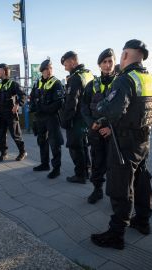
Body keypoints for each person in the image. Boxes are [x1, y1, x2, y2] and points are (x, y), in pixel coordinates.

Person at [90, 39, 152, 250]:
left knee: (121, 186)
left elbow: (111, 111)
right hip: (144, 140)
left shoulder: (125, 80)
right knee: (141, 181)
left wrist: (102, 105)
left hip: (123, 143)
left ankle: (116, 234)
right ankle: (143, 220)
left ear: (125, 55)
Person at [81, 48, 116, 203]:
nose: (107, 65)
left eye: (110, 61)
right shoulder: (91, 85)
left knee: (114, 165)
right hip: (95, 131)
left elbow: (126, 109)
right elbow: (84, 107)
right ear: (99, 65)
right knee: (97, 162)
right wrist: (91, 124)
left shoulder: (121, 83)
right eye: (104, 62)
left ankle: (115, 195)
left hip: (113, 132)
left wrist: (111, 127)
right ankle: (97, 190)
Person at [60, 51, 93, 184]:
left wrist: (66, 120)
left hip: (76, 119)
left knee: (75, 146)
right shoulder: (88, 74)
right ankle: (87, 170)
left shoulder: (75, 78)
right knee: (83, 145)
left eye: (66, 63)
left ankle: (80, 175)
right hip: (87, 118)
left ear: (73, 61)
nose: (65, 67)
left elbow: (71, 103)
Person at [29, 59, 64, 179]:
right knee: (41, 140)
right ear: (42, 71)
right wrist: (33, 107)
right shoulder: (37, 82)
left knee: (55, 143)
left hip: (51, 117)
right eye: (46, 69)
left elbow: (58, 102)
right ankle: (44, 164)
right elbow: (32, 97)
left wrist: (43, 108)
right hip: (39, 117)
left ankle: (56, 168)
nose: (49, 71)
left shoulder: (56, 83)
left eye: (50, 68)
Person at [0, 63, 27, 161]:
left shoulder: (13, 84)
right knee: (1, 134)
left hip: (10, 113)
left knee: (15, 134)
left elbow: (23, 95)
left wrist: (17, 104)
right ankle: (3, 153)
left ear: (5, 71)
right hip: (0, 113)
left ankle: (22, 152)